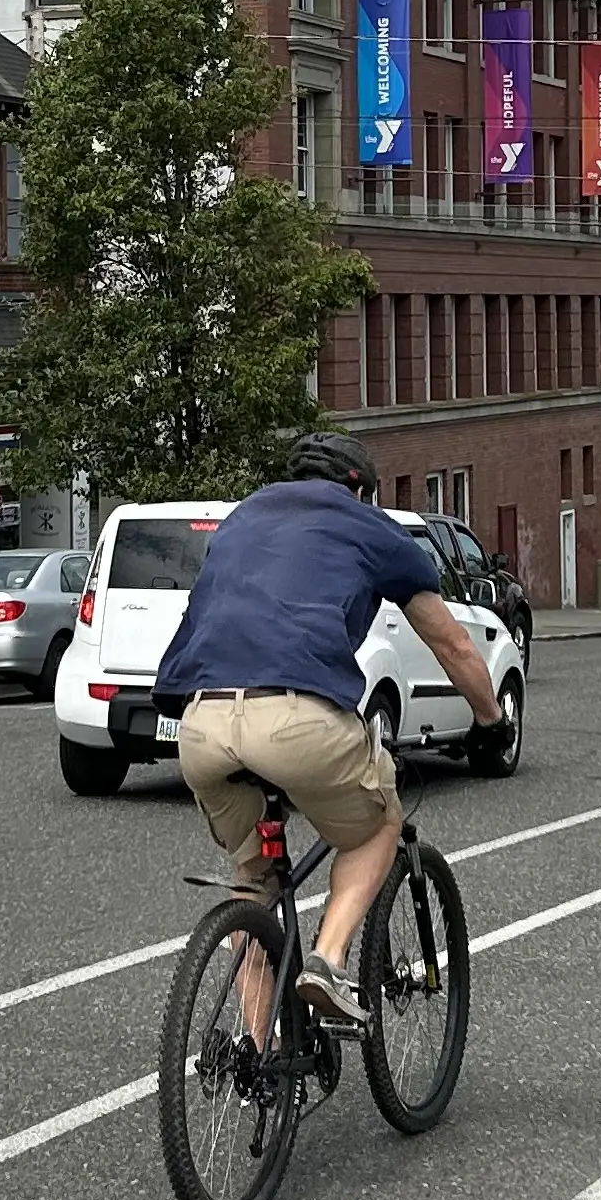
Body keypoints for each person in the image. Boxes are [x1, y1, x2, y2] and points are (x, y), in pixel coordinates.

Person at [153, 432, 508, 1029]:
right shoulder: (370, 528)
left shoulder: (240, 521)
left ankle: (257, 1059)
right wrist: (490, 720)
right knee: (380, 823)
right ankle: (329, 959)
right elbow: (450, 642)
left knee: (252, 878)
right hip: (296, 720)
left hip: (203, 723)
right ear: (358, 488)